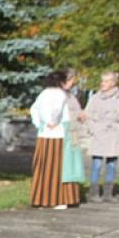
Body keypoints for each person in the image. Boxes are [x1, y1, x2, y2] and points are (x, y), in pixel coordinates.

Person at [28, 70, 81, 208]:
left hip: (43, 135)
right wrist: (51, 121)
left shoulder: (43, 93)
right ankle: (59, 199)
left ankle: (42, 198)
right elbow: (56, 110)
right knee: (59, 166)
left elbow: (34, 109)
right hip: (58, 134)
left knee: (43, 166)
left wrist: (40, 124)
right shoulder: (60, 94)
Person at [85, 71, 119, 203]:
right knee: (97, 163)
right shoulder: (95, 98)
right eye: (102, 81)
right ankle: (94, 192)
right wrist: (93, 129)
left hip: (114, 134)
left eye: (106, 81)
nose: (102, 84)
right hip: (99, 133)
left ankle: (108, 193)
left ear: (113, 83)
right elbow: (88, 115)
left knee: (112, 164)